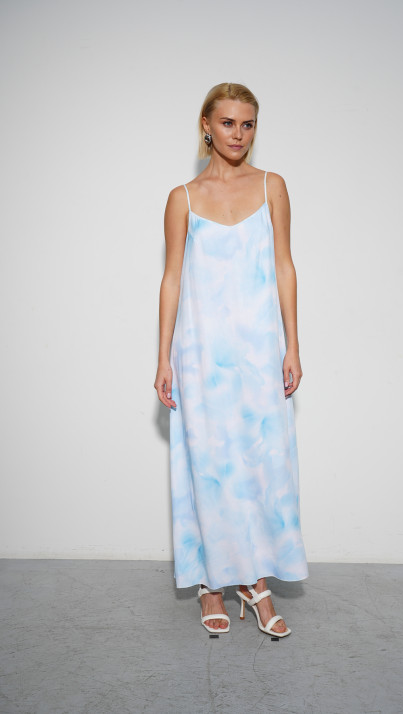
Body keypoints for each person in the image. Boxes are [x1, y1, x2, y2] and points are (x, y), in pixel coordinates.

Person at [154, 82, 309, 637]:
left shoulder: (272, 187)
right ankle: (211, 584)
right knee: (209, 465)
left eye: (247, 124)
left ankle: (256, 580)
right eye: (227, 123)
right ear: (206, 125)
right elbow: (172, 279)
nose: (238, 134)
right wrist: (164, 357)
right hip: (200, 353)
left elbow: (285, 266)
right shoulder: (183, 197)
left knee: (262, 465)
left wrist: (292, 344)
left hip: (258, 350)